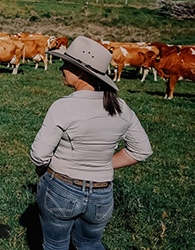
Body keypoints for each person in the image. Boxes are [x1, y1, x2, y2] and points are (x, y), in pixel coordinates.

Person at [30, 36, 153, 250]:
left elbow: (39, 155)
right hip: (102, 195)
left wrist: (44, 173)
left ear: (81, 72)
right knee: (89, 244)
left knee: (55, 245)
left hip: (62, 186)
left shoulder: (63, 106)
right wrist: (102, 164)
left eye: (66, 64)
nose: (61, 68)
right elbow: (142, 150)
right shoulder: (121, 107)